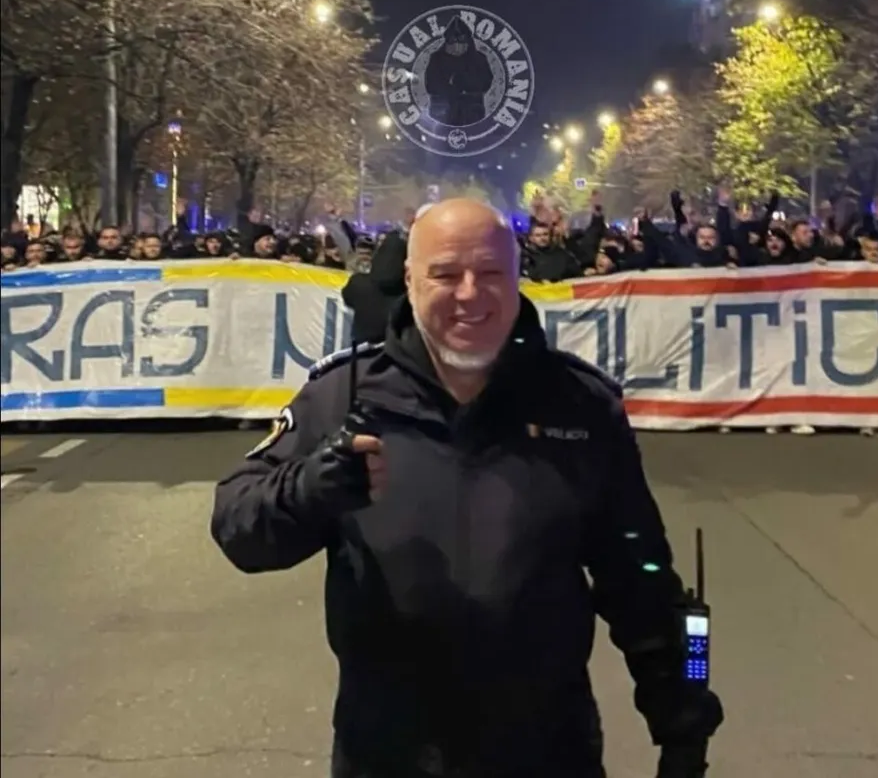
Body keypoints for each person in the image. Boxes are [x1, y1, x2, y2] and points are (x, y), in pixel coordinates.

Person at [211, 199, 722, 778]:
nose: (470, 294)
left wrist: (683, 722)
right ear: (410, 280)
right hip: (387, 755)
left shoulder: (580, 405)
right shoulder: (344, 395)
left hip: (548, 752)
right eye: (446, 274)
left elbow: (641, 578)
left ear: (518, 276)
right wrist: (310, 489)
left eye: (491, 272)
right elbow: (237, 526)